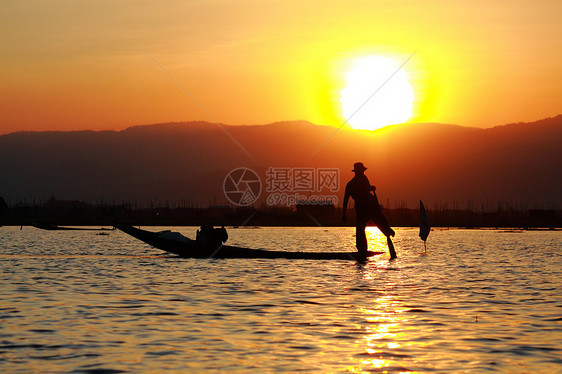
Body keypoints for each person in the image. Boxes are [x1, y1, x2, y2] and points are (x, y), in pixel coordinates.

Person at [343, 162, 397, 259]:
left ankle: (388, 233)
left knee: (379, 221)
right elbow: (347, 198)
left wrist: (370, 188)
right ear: (357, 172)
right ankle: (362, 250)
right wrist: (344, 214)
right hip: (363, 209)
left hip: (370, 206)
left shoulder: (363, 178)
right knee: (360, 229)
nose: (363, 173)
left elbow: (365, 189)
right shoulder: (351, 184)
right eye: (361, 171)